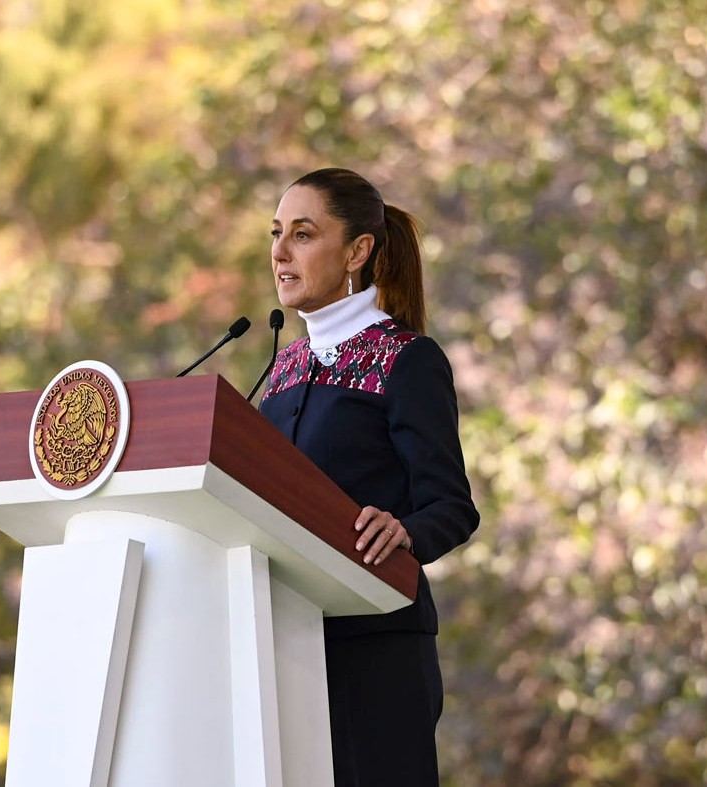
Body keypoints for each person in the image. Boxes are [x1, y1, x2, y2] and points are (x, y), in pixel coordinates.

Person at [258, 167, 480, 785]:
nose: (279, 252)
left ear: (358, 250)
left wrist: (404, 532)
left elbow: (451, 507)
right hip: (284, 641)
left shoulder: (406, 359)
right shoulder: (281, 370)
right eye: (276, 234)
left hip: (378, 645)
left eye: (303, 234)